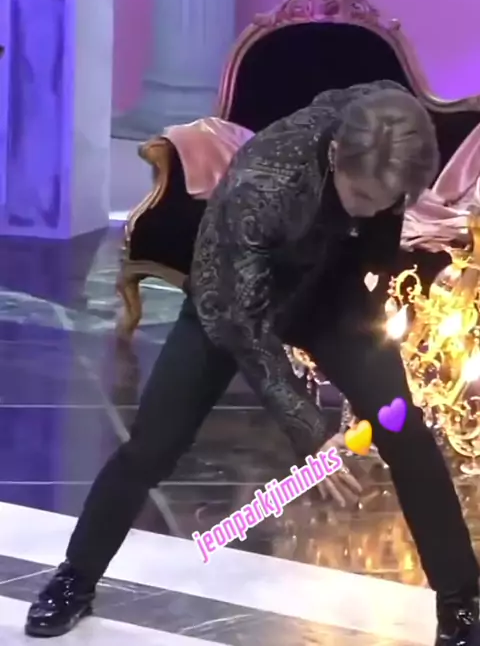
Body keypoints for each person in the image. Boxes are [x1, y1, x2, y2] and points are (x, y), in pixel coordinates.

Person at [26, 82, 479, 643]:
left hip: (335, 300)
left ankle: (462, 605)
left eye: (386, 202)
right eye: (361, 196)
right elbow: (243, 324)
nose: (370, 211)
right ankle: (74, 579)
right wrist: (310, 429)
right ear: (335, 154)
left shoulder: (390, 128)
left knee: (404, 431)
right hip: (232, 301)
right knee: (152, 446)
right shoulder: (262, 183)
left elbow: (376, 214)